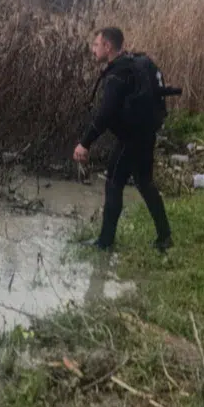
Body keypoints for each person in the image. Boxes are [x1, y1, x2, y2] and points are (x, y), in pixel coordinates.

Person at [74, 27, 173, 253]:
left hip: (131, 138)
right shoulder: (135, 63)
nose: (93, 49)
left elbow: (106, 113)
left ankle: (105, 242)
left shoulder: (118, 73)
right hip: (146, 133)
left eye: (96, 45)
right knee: (144, 183)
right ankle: (165, 237)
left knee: (114, 183)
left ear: (108, 47)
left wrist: (85, 143)